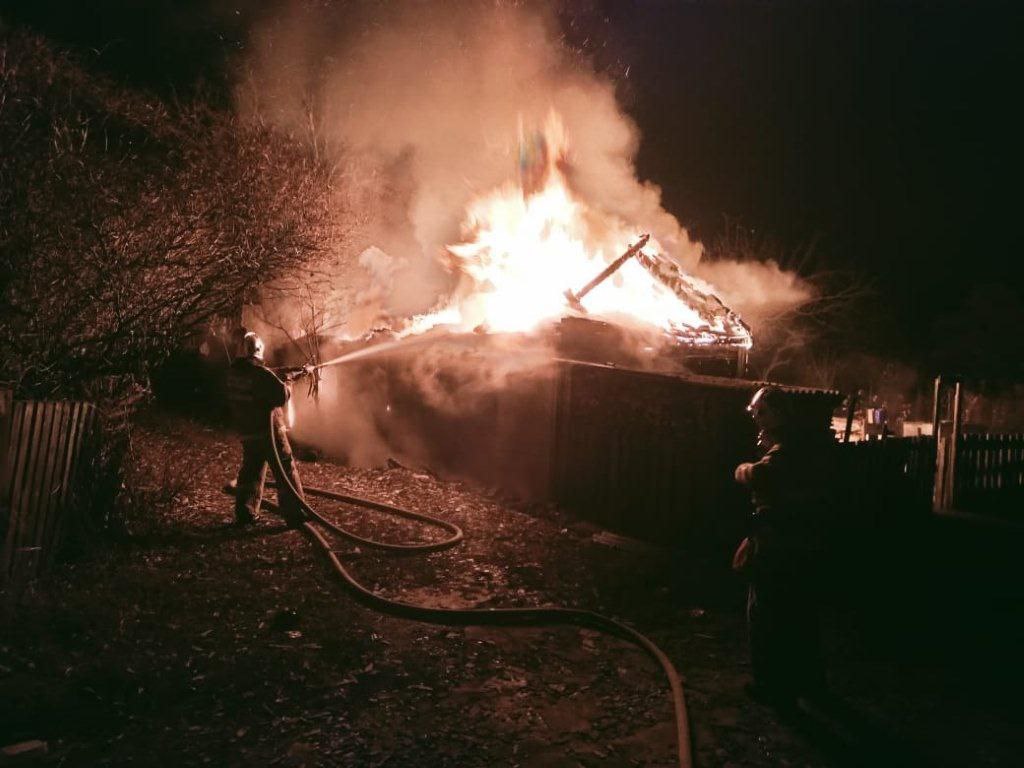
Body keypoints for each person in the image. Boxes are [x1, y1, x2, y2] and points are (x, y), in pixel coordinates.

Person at [733, 385, 835, 706]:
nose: (757, 419)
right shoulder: (802, 441)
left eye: (761, 412)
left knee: (766, 614)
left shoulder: (788, 447)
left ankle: (772, 686)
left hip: (779, 544)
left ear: (776, 413)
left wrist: (743, 470)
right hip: (801, 544)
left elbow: (763, 476)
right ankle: (810, 683)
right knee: (801, 614)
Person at [225, 331, 309, 527]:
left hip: (248, 431)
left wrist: (279, 373)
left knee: (251, 470)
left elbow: (259, 382)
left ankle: (246, 512)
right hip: (270, 433)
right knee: (285, 469)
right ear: (258, 350)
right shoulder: (261, 375)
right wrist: (288, 381)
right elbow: (281, 396)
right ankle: (296, 514)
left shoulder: (234, 373)